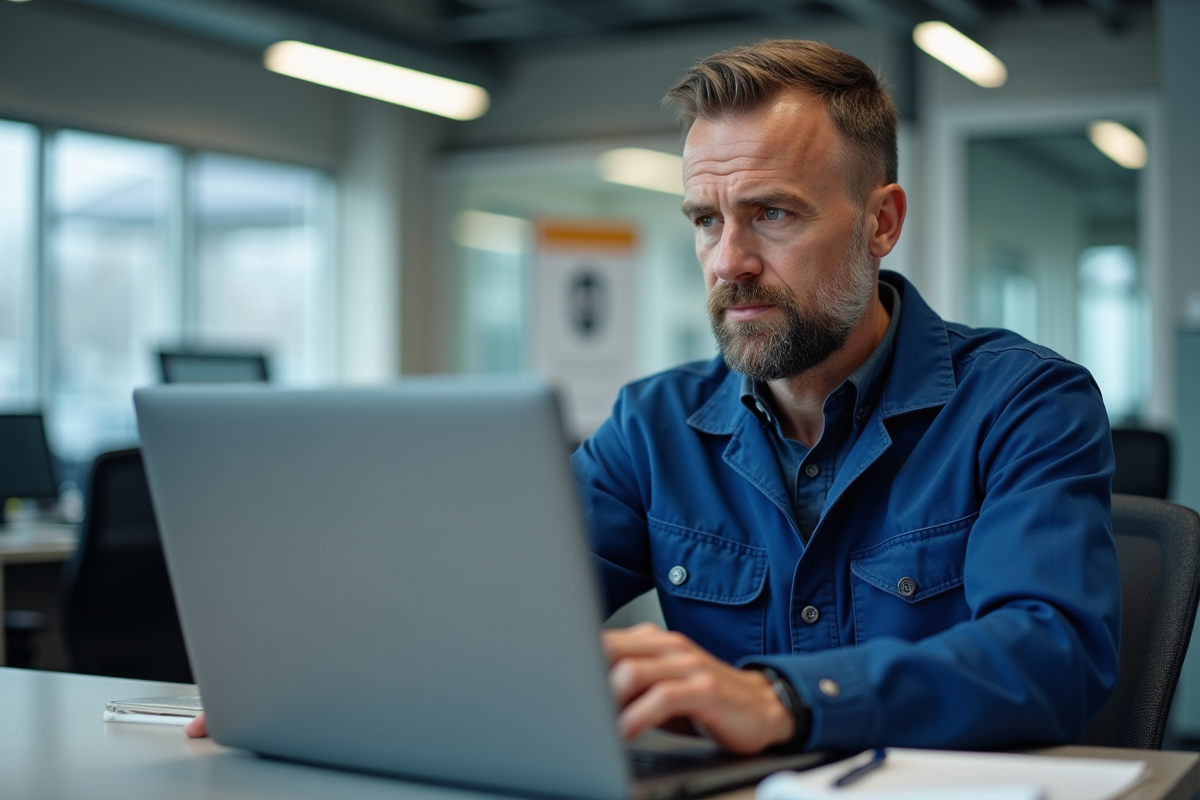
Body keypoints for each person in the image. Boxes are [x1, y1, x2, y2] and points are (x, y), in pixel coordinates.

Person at [187, 39, 1120, 748]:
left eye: (773, 214)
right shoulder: (652, 425)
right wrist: (313, 687)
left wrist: (784, 699)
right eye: (705, 220)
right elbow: (496, 608)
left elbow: (1054, 655)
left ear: (882, 221)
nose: (729, 262)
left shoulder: (1024, 404)